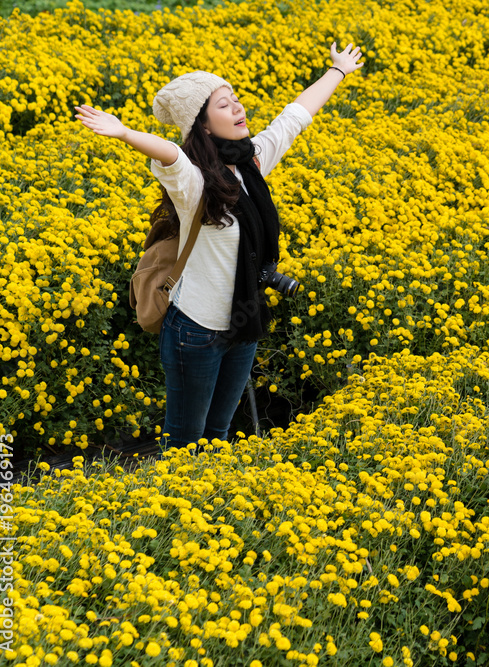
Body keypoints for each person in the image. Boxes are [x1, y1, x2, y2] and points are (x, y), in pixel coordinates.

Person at [75, 42, 363, 452]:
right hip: (195, 330)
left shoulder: (252, 162)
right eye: (225, 105)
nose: (239, 109)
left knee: (218, 438)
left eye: (236, 100)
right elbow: (172, 155)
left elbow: (295, 116)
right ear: (204, 125)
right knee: (185, 441)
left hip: (242, 324)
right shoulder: (195, 185)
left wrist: (339, 71)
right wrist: (124, 133)